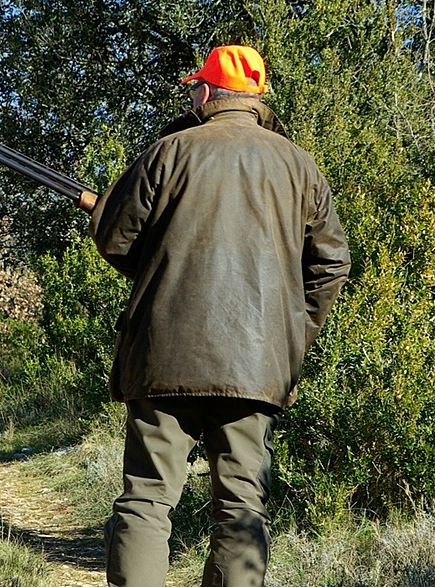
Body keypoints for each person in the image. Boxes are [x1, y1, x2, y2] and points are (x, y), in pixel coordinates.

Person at [88, 45, 351, 587]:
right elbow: (332, 263)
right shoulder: (298, 164)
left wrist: (160, 263)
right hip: (257, 367)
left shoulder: (168, 151)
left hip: (163, 359)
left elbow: (117, 241)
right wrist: (292, 336)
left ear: (207, 93)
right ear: (256, 98)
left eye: (194, 88)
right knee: (241, 506)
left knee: (146, 502)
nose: (191, 96)